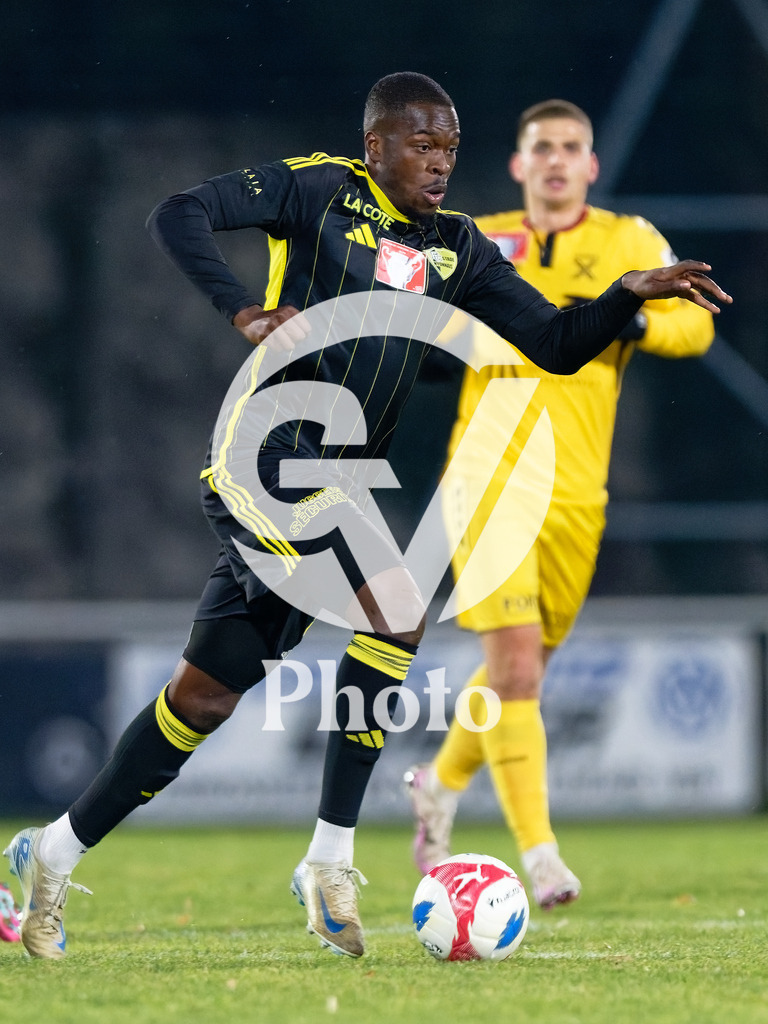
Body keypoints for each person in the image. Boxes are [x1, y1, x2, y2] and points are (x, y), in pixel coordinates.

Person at [4, 77, 729, 961]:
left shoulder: (458, 247)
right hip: (266, 454)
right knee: (396, 604)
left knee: (203, 698)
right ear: (376, 145)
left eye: (450, 150)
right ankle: (328, 859)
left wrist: (625, 293)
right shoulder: (318, 190)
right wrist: (241, 307)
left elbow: (555, 345)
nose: (440, 165)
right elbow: (178, 213)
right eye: (422, 146)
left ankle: (53, 851)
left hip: (338, 481)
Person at [404, 99, 717, 910]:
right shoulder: (477, 239)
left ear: (590, 166)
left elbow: (696, 329)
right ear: (518, 165)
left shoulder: (628, 241)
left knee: (521, 672)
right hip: (488, 477)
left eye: (570, 147)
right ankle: (541, 860)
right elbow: (417, 324)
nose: (555, 159)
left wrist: (624, 317)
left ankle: (440, 785)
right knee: (515, 668)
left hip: (577, 492)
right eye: (541, 147)